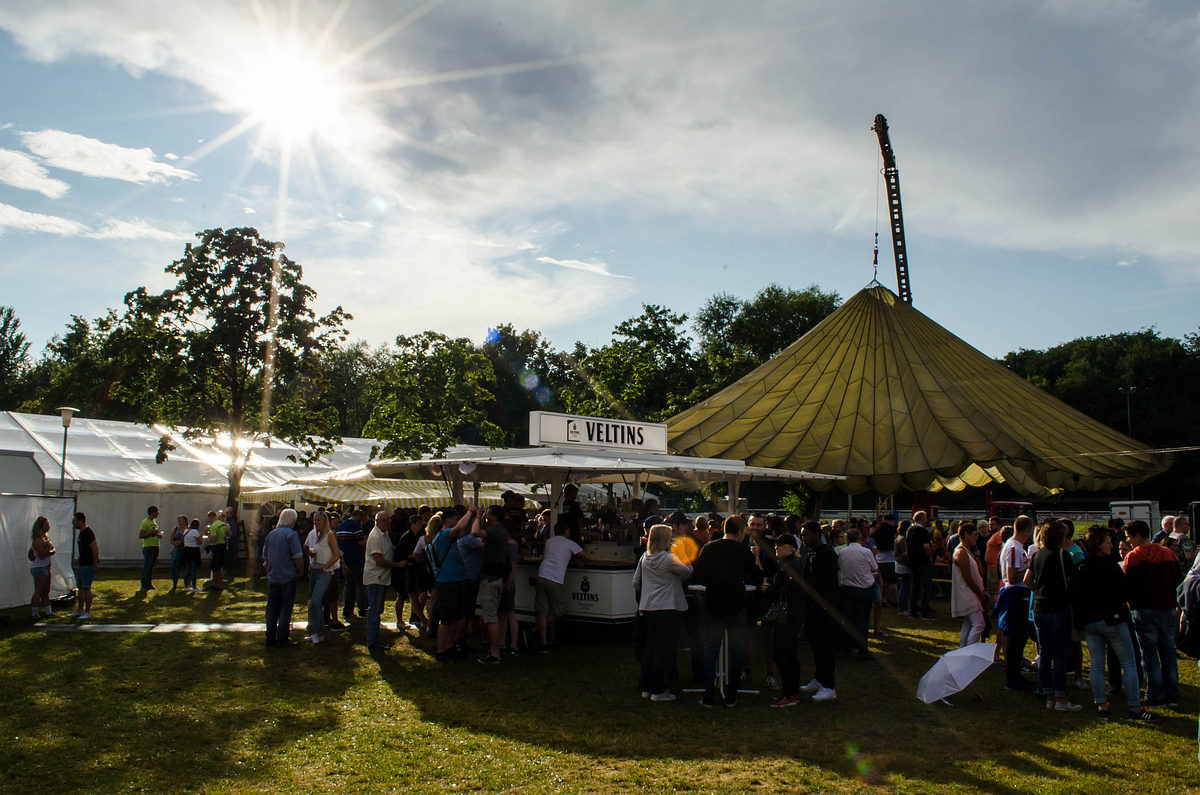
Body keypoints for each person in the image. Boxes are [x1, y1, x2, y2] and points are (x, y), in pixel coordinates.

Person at [1071, 526, 1156, 721]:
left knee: (1097, 665)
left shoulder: (1081, 567)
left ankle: (1102, 705)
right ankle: (1135, 707)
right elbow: (1125, 591)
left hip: (1090, 621)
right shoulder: (1109, 566)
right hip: (1112, 619)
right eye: (1108, 542)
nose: (1112, 545)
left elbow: (1075, 595)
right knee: (1129, 663)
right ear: (1099, 545)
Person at [691, 515, 762, 707]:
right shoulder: (742, 551)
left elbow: (698, 576)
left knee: (711, 650)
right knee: (736, 652)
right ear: (739, 532)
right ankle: (732, 695)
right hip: (737, 605)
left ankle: (708, 694)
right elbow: (757, 577)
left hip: (714, 604)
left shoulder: (709, 548)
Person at [1123, 519, 1184, 706]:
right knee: (1168, 651)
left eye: (1129, 537)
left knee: (1149, 654)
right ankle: (1172, 692)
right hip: (1167, 608)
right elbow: (1177, 579)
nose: (1128, 541)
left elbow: (1127, 586)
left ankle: (1155, 693)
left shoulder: (1132, 557)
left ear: (1137, 536)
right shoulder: (1167, 554)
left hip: (1143, 609)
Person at [632, 523, 692, 702]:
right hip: (666, 607)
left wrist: (647, 592)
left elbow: (636, 582)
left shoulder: (645, 557)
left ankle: (646, 686)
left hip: (647, 607)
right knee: (661, 649)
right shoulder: (669, 559)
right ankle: (658, 689)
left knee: (649, 647)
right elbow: (688, 570)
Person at [1026, 520, 1079, 711]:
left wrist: (1038, 589)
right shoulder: (1063, 555)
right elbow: (1069, 582)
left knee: (1045, 653)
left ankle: (1047, 694)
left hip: (1039, 607)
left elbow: (1027, 580)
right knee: (1060, 654)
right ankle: (1060, 698)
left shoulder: (1037, 554)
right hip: (1057, 607)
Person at [535, 519, 590, 652]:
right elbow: (587, 557)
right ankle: (535, 630)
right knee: (559, 610)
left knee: (542, 611)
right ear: (567, 531)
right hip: (554, 578)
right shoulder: (570, 543)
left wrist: (572, 558)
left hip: (541, 574)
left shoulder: (549, 541)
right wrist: (576, 558)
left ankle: (543, 643)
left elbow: (557, 554)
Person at [799, 521, 839, 702]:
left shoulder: (826, 555)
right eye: (802, 535)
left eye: (806, 534)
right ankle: (819, 678)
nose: (803, 538)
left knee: (825, 647)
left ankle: (828, 686)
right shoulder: (812, 553)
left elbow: (827, 584)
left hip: (823, 609)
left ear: (817, 534)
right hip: (812, 608)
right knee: (816, 645)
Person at [767, 533, 805, 707]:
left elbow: (789, 590)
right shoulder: (787, 564)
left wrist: (769, 590)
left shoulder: (791, 565)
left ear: (790, 548)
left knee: (784, 654)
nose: (777, 547)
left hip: (789, 615)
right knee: (785, 654)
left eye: (780, 545)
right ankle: (790, 691)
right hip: (789, 615)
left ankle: (791, 693)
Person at [998, 516, 1034, 688]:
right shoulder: (1013, 547)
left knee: (1019, 638)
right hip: (1015, 595)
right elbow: (1012, 577)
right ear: (1027, 530)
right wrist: (1030, 568)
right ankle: (1013, 677)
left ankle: (1016, 674)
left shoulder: (1017, 546)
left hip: (1019, 594)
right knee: (1016, 637)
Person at [474, 505, 513, 664]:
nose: (486, 516)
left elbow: (475, 532)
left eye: (488, 514)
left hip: (490, 579)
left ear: (495, 516)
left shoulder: (496, 531)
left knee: (490, 617)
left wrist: (477, 516)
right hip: (496, 578)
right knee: (492, 615)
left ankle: (494, 652)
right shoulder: (500, 531)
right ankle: (494, 649)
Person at [263, 508, 304, 647]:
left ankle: (270, 636)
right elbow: (297, 556)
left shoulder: (271, 534)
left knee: (272, 607)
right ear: (293, 521)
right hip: (288, 576)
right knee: (286, 607)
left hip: (273, 575)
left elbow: (265, 555)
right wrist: (300, 570)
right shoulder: (291, 535)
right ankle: (282, 637)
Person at [365, 510, 403, 651]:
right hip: (375, 578)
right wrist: (397, 565)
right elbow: (379, 560)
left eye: (388, 520)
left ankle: (374, 639)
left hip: (381, 578)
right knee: (374, 611)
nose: (387, 522)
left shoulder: (384, 534)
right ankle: (372, 641)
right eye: (383, 520)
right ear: (377, 522)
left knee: (377, 610)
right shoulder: (375, 536)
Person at [838, 528, 878, 660]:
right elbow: (874, 567)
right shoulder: (866, 552)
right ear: (859, 538)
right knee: (863, 620)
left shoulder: (842, 552)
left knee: (848, 619)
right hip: (864, 588)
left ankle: (846, 647)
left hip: (848, 588)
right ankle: (862, 649)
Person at [305, 509, 341, 644]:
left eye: (318, 520)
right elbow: (309, 547)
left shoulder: (329, 535)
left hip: (324, 572)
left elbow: (336, 554)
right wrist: (312, 554)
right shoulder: (315, 534)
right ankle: (317, 631)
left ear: (324, 521)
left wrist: (326, 566)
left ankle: (318, 632)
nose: (316, 522)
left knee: (315, 601)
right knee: (314, 603)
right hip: (314, 570)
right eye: (314, 520)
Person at [950, 523, 986, 646]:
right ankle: (970, 649)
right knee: (979, 624)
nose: (976, 537)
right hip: (967, 593)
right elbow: (967, 576)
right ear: (966, 535)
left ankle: (963, 649)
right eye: (974, 535)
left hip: (969, 593)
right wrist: (978, 592)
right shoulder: (961, 552)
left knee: (968, 624)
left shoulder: (967, 551)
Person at [336, 509, 368, 622]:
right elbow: (360, 542)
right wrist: (367, 540)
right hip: (356, 558)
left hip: (345, 558)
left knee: (349, 585)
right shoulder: (356, 526)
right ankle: (362, 609)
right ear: (360, 517)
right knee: (360, 584)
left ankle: (347, 610)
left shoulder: (341, 525)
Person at [906, 511, 935, 619]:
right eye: (925, 518)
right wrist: (931, 556)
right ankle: (925, 611)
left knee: (915, 587)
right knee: (925, 587)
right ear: (922, 519)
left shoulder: (910, 530)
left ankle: (912, 610)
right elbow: (926, 547)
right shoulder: (922, 531)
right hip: (923, 562)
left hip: (913, 562)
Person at [70, 512, 99, 620]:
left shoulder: (88, 533)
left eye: (75, 521)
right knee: (80, 588)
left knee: (87, 588)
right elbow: (84, 550)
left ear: (81, 521)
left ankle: (87, 612)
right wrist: (78, 560)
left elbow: (95, 548)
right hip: (81, 565)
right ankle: (80, 610)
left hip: (88, 565)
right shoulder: (82, 533)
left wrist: (94, 563)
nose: (73, 523)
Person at [29, 516, 56, 618]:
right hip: (39, 567)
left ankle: (48, 612)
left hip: (45, 567)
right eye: (46, 525)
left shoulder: (45, 539)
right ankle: (35, 613)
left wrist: (51, 550)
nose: (49, 527)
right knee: (38, 591)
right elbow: (41, 554)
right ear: (41, 527)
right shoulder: (38, 540)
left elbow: (52, 549)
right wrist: (50, 550)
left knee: (46, 591)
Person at [138, 505, 162, 590]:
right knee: (147, 566)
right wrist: (152, 533)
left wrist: (158, 534)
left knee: (151, 566)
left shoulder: (153, 521)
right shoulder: (145, 522)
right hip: (149, 547)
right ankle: (144, 584)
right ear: (152, 512)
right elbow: (140, 535)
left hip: (155, 545)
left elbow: (154, 532)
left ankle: (149, 583)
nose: (158, 513)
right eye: (157, 512)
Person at [205, 509, 229, 591]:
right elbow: (229, 533)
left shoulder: (213, 526)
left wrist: (208, 534)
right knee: (220, 566)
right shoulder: (223, 524)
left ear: (211, 517)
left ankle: (216, 584)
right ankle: (220, 584)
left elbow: (213, 538)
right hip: (223, 545)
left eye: (209, 518)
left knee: (215, 567)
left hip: (216, 547)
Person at [182, 519, 204, 592]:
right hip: (194, 550)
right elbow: (199, 542)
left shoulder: (186, 531)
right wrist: (201, 538)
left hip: (186, 550)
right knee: (194, 569)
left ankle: (186, 585)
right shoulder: (195, 531)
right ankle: (194, 587)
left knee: (187, 569)